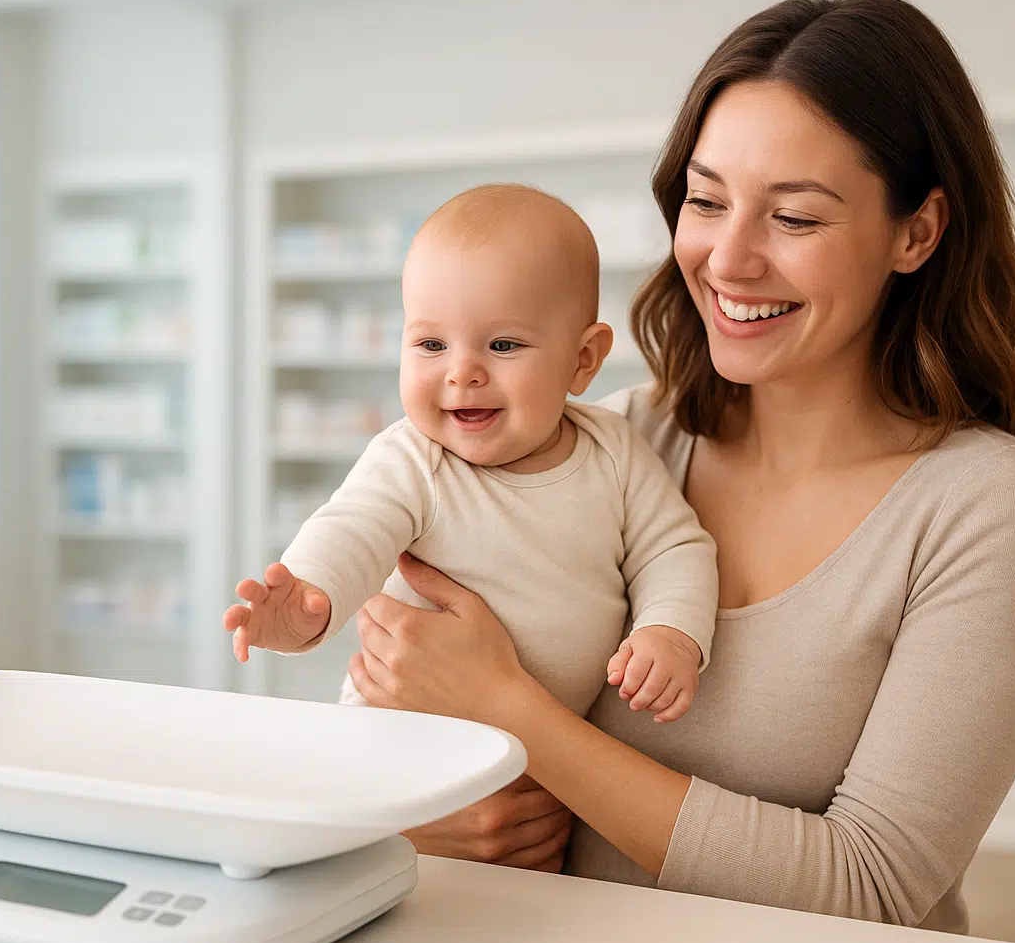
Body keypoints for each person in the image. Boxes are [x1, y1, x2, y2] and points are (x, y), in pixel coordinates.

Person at [342, 0, 1015, 933]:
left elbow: (873, 888)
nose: (728, 260)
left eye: (796, 219)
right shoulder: (612, 442)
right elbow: (410, 706)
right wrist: (431, 823)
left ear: (917, 233)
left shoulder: (989, 507)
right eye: (705, 200)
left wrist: (516, 712)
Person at [225, 183, 718, 725]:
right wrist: (306, 604)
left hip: (548, 751)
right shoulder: (413, 460)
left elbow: (673, 550)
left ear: (582, 359)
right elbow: (351, 531)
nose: (462, 373)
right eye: (431, 345)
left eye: (502, 345)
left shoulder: (615, 452)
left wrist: (670, 632)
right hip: (401, 729)